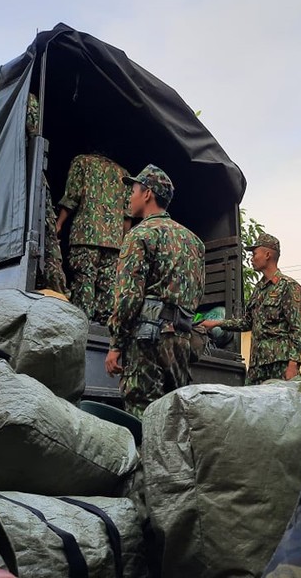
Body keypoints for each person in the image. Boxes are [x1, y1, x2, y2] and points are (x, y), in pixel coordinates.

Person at [104, 164, 205, 419]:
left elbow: (128, 298)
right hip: (181, 339)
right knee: (175, 419)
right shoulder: (194, 241)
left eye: (134, 190)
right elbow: (197, 293)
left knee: (142, 415)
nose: (130, 196)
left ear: (147, 193)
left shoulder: (140, 235)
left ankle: (146, 460)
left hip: (146, 341)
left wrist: (116, 344)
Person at [202, 233, 301, 385]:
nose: (251, 258)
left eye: (254, 254)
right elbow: (247, 323)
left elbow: (296, 329)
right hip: (257, 364)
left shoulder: (288, 286)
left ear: (267, 254)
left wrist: (293, 364)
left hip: (280, 363)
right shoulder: (258, 289)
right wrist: (216, 324)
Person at [56, 152, 129, 324]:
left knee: (84, 281)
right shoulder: (123, 173)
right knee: (108, 286)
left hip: (85, 236)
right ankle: (103, 330)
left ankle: (81, 325)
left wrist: (59, 224)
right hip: (114, 242)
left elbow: (72, 197)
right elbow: (128, 213)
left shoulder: (82, 161)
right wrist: (125, 241)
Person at [26, 93, 68, 296]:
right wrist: (58, 224)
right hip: (32, 182)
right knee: (50, 255)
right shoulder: (28, 99)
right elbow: (35, 134)